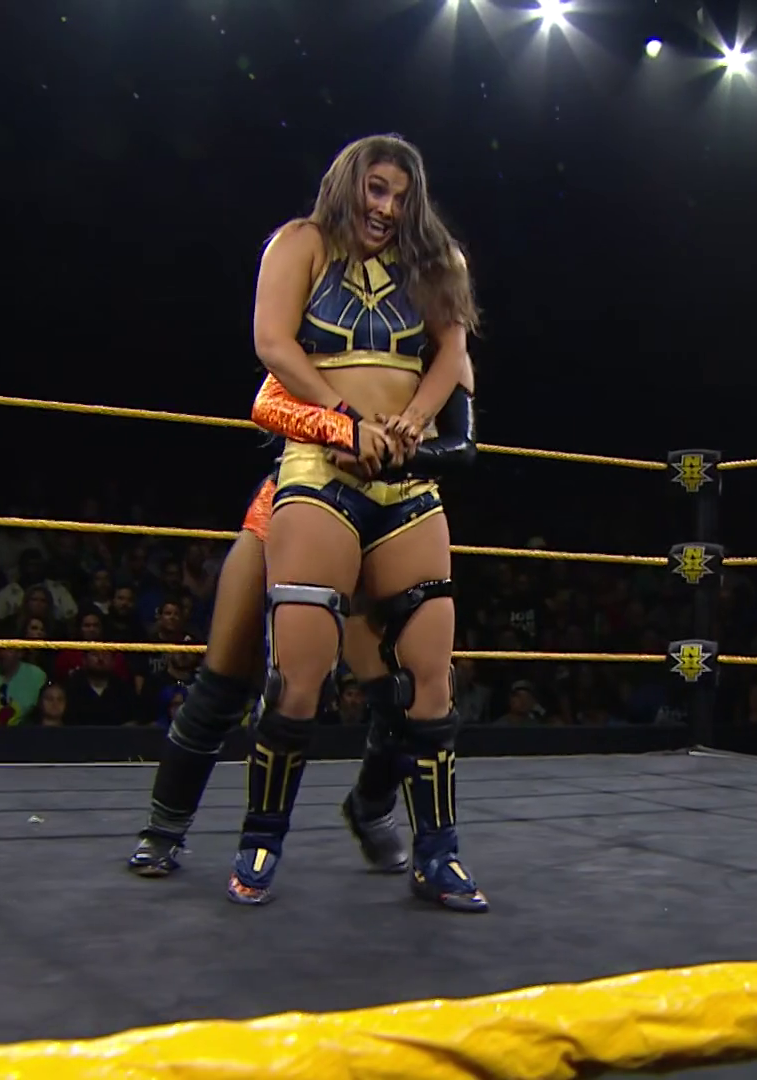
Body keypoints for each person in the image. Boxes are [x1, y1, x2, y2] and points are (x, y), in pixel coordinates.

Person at [235, 132, 483, 913]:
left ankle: (439, 855)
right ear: (349, 185)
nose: (387, 209)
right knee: (299, 673)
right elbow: (272, 343)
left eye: (401, 196)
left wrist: (410, 423)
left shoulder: (437, 262)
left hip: (406, 478)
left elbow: (451, 357)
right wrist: (343, 417)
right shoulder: (302, 243)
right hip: (321, 467)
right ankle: (262, 838)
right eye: (377, 190)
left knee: (430, 678)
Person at [125, 368, 476, 881]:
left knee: (403, 698)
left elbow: (459, 444)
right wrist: (349, 431)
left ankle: (370, 805)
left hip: (392, 515)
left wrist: (396, 455)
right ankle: (164, 829)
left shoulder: (441, 352)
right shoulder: (322, 333)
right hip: (303, 500)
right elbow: (269, 402)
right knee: (226, 679)